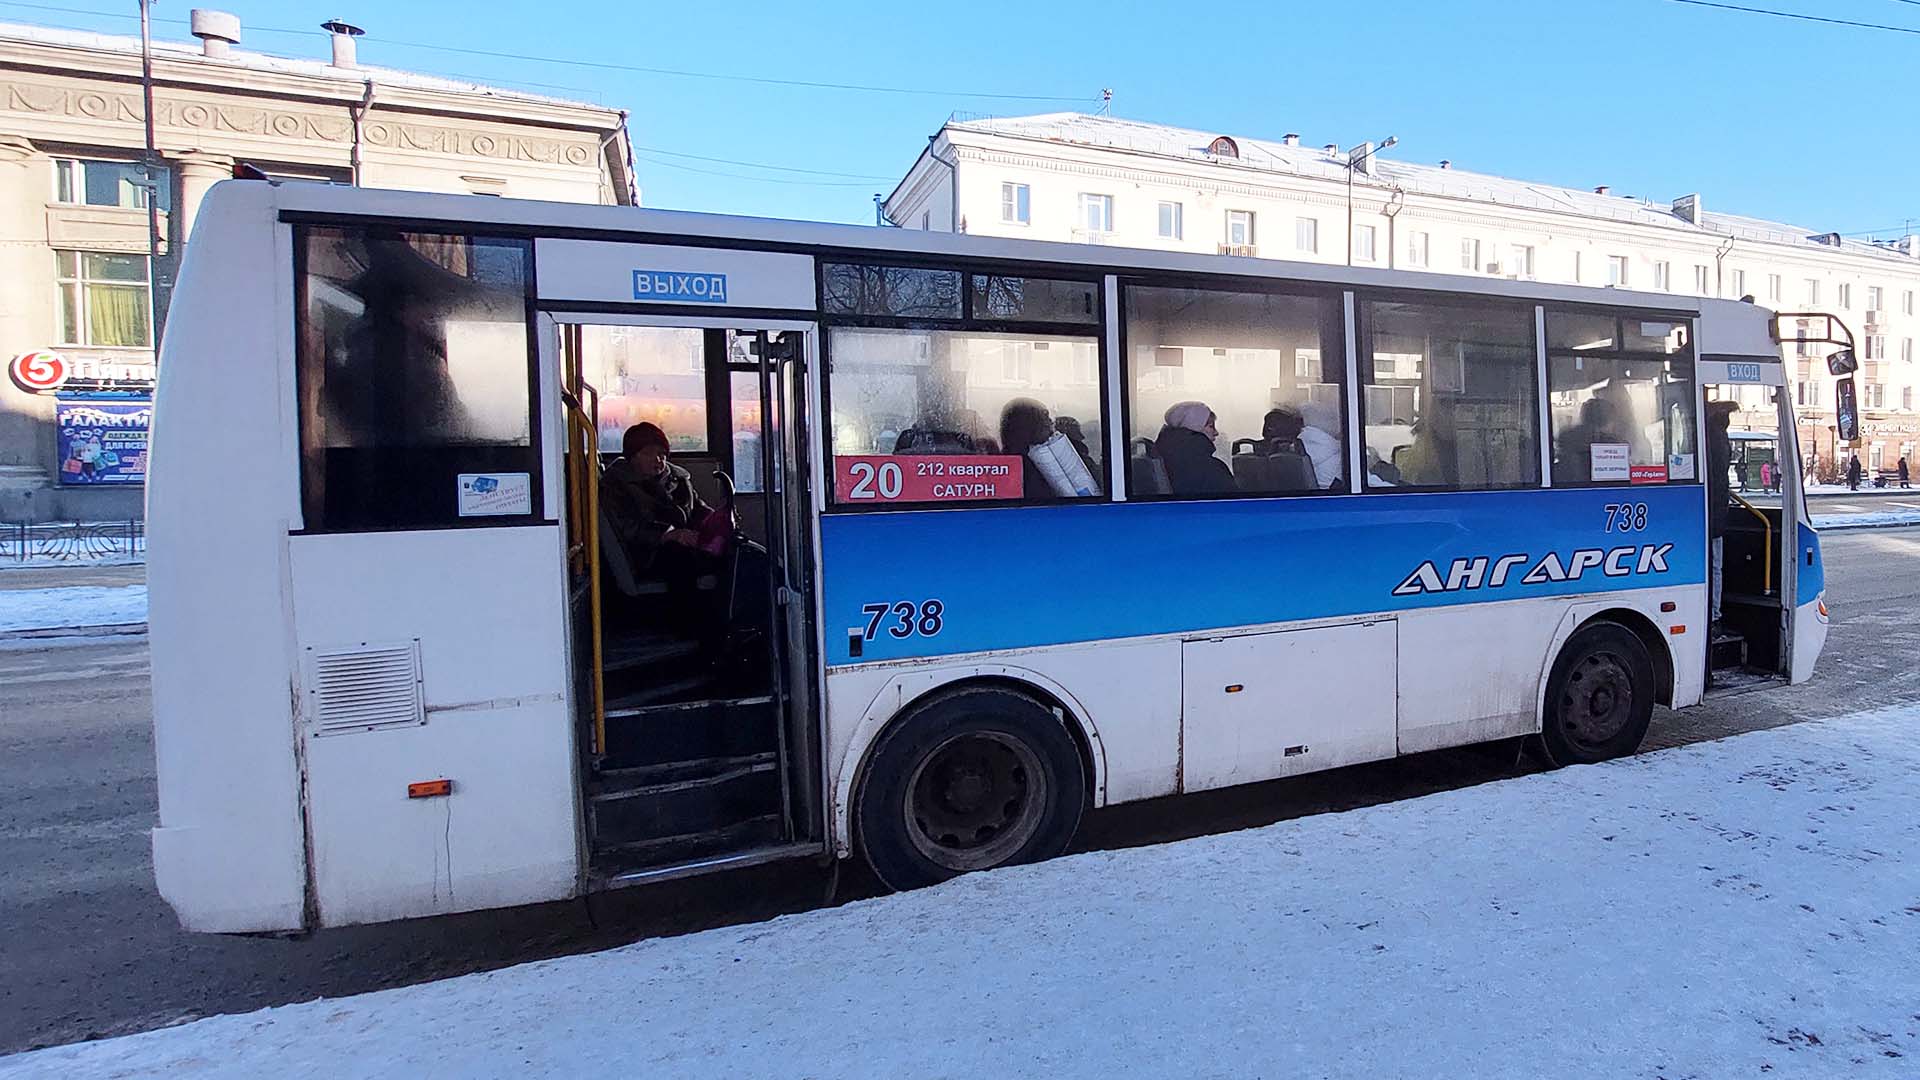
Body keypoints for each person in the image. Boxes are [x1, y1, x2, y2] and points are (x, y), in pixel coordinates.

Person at [600, 422, 718, 587]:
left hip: (686, 543)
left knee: (732, 551)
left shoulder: (677, 479)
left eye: (662, 454)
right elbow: (626, 527)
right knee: (680, 558)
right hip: (647, 554)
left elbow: (697, 508)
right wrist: (667, 535)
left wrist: (715, 522)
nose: (658, 460)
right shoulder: (617, 485)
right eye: (648, 453)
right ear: (632, 456)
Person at [1154, 401, 1236, 494]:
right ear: (1195, 428)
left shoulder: (1166, 455)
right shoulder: (1209, 468)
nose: (1216, 432)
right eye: (1211, 426)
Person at [1706, 400, 1736, 631]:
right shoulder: (1718, 439)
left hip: (1710, 513)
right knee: (1715, 565)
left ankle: (1713, 611)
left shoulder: (1705, 436)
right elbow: (1719, 478)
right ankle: (1714, 614)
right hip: (1715, 515)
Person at [1297, 400, 1345, 490]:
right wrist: (1370, 463)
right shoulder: (1341, 458)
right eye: (1332, 419)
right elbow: (1375, 487)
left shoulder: (1298, 447)